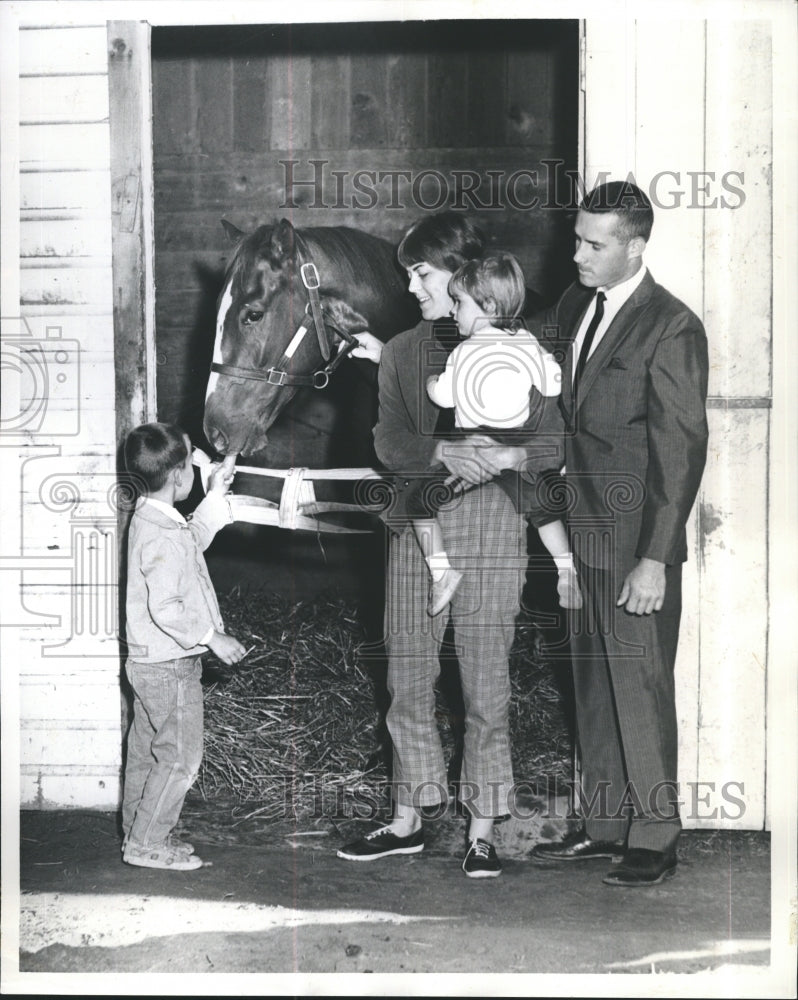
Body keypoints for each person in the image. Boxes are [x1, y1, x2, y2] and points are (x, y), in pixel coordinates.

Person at [337, 212, 557, 878]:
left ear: (460, 273)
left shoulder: (519, 347)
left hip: (492, 523)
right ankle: (408, 818)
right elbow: (389, 443)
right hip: (415, 529)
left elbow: (552, 443)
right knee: (407, 679)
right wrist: (445, 449)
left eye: (421, 272)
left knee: (485, 681)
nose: (410, 287)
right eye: (407, 273)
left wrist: (504, 455)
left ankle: (483, 829)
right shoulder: (402, 351)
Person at [530, 181, 709, 887]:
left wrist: (656, 559)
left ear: (635, 246)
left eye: (592, 244)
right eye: (576, 238)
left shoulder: (672, 325)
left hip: (636, 542)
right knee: (594, 685)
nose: (576, 254)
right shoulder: (577, 307)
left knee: (639, 684)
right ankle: (604, 825)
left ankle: (655, 834)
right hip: (580, 538)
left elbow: (682, 449)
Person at [396, 251, 581, 617]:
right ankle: (567, 569)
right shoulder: (527, 341)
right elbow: (554, 382)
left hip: (474, 445)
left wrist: (432, 381)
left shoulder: (463, 352)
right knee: (542, 512)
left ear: (489, 305)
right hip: (515, 444)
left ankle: (442, 573)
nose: (452, 311)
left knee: (417, 503)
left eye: (459, 303)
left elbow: (443, 396)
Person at [122, 422, 246, 870]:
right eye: (194, 460)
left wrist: (214, 494)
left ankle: (141, 832)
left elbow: (190, 541)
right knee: (181, 758)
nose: (199, 465)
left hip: (149, 662)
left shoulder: (153, 520)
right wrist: (213, 637)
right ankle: (147, 844)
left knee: (147, 751)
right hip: (170, 666)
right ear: (178, 477)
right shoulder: (160, 535)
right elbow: (168, 609)